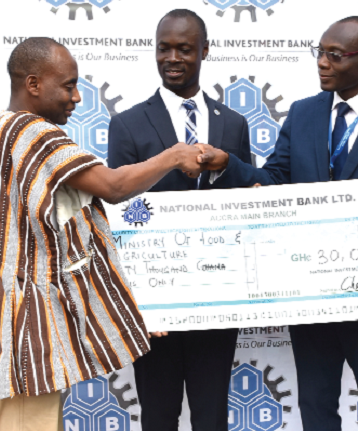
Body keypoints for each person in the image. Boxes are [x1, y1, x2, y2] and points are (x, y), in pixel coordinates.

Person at [197, 16, 358, 431]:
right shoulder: (303, 114)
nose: (322, 63)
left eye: (334, 55)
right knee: (316, 408)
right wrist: (227, 165)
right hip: (311, 295)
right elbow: (274, 181)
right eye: (319, 52)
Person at [0, 37, 206, 431]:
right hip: (25, 324)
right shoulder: (34, 134)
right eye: (67, 85)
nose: (77, 98)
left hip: (4, 317)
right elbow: (114, 187)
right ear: (33, 84)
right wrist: (174, 155)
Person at [107, 9, 251, 431]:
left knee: (212, 416)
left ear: (204, 51)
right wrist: (144, 302)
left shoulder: (235, 124)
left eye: (184, 49)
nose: (172, 58)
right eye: (164, 48)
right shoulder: (127, 124)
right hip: (155, 309)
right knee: (157, 415)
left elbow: (248, 205)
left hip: (217, 298)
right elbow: (120, 215)